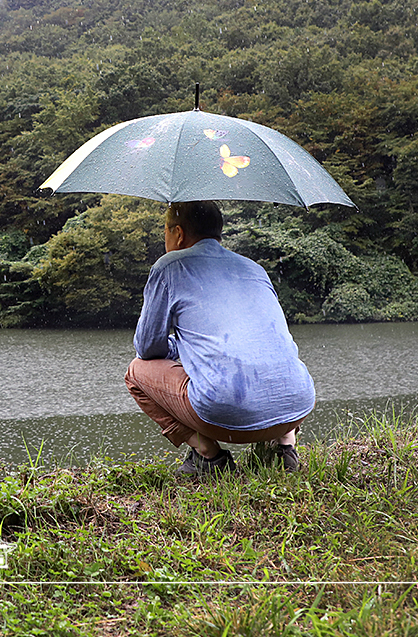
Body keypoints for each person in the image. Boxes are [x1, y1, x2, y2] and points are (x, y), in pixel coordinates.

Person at [124, 201, 315, 476]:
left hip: (226, 418)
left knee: (135, 372)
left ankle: (208, 456)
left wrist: (180, 348)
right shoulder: (254, 268)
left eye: (165, 231)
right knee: (271, 357)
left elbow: (147, 347)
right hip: (296, 407)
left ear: (177, 233)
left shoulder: (169, 267)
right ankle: (282, 447)